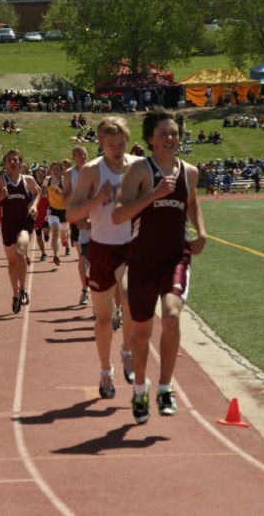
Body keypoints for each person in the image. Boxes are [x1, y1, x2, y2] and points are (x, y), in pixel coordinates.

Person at [113, 107, 207, 424]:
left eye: (174, 134)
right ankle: (140, 388)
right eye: (163, 133)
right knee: (141, 334)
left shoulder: (189, 172)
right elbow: (118, 214)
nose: (170, 138)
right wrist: (152, 195)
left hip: (175, 257)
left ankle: (165, 387)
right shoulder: (139, 171)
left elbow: (191, 202)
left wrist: (201, 232)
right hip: (141, 262)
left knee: (170, 316)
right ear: (150, 139)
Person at [68, 117, 140, 400]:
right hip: (101, 248)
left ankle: (127, 352)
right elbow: (72, 215)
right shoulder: (91, 171)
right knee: (103, 319)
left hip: (131, 247)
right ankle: (105, 372)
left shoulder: (138, 167)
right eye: (111, 145)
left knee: (130, 300)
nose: (117, 149)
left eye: (121, 143)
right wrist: (96, 201)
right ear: (100, 143)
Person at [0, 150, 40, 314]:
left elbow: (38, 193)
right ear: (5, 164)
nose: (13, 163)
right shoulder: (0, 181)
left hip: (25, 222)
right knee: (12, 262)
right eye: (9, 160)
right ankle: (15, 294)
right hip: (8, 225)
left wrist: (34, 206)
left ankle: (23, 290)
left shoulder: (28, 180)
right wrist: (0, 197)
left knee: (21, 251)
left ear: (20, 163)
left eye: (15, 160)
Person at [63, 146, 91, 305]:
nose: (83, 156)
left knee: (98, 258)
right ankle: (84, 290)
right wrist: (77, 193)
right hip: (78, 220)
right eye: (80, 154)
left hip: (95, 219)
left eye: (85, 154)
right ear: (74, 157)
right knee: (82, 256)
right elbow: (64, 200)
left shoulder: (94, 171)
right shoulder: (69, 174)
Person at [46, 161, 70, 265]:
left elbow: (69, 196)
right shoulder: (47, 180)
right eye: (53, 169)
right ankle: (56, 255)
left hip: (64, 210)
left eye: (57, 170)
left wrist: (60, 193)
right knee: (55, 231)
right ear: (51, 170)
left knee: (63, 235)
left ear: (61, 171)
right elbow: (41, 191)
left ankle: (65, 240)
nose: (55, 172)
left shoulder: (64, 181)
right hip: (52, 210)